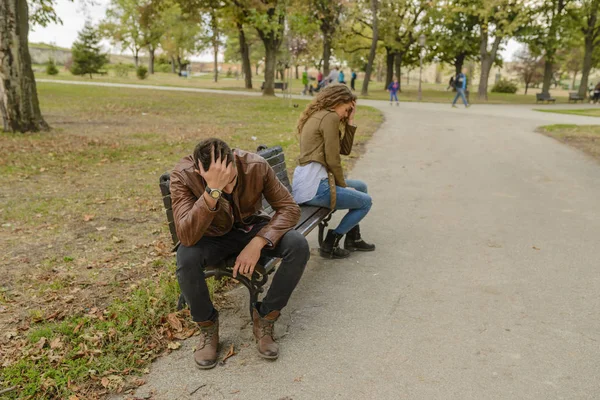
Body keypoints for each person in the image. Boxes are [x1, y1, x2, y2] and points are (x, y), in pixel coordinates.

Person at [170, 138, 310, 369]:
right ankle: (208, 329)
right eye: (218, 184)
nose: (228, 189)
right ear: (198, 171)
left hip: (250, 229)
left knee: (297, 244)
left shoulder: (255, 165)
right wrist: (211, 192)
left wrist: (258, 242)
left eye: (230, 179)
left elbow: (289, 208)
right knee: (186, 257)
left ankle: (265, 318)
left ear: (234, 161)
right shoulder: (184, 175)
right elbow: (186, 236)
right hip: (211, 235)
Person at [292, 85, 375, 259]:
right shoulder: (329, 118)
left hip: (311, 181)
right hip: (315, 187)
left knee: (361, 187)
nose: (346, 114)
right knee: (366, 202)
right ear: (337, 101)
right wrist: (342, 186)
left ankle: (353, 238)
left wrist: (350, 122)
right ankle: (332, 241)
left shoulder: (321, 115)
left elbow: (343, 150)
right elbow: (332, 160)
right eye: (347, 110)